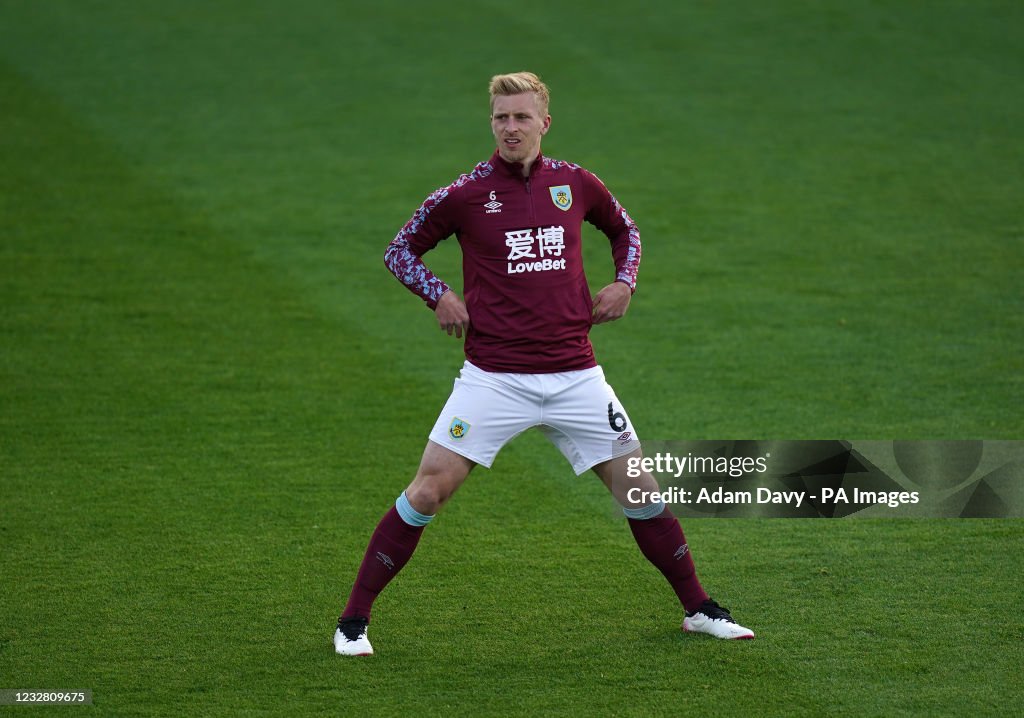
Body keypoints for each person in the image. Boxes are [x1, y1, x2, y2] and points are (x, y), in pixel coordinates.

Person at [334, 72, 753, 656]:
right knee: (428, 492)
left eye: (521, 117)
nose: (510, 127)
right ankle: (353, 622)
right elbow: (399, 250)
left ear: (543, 123)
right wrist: (439, 294)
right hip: (494, 379)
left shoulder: (575, 184)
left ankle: (699, 609)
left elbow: (624, 229)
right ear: (492, 123)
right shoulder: (465, 193)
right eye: (501, 118)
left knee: (641, 490)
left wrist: (624, 282)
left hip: (576, 376)